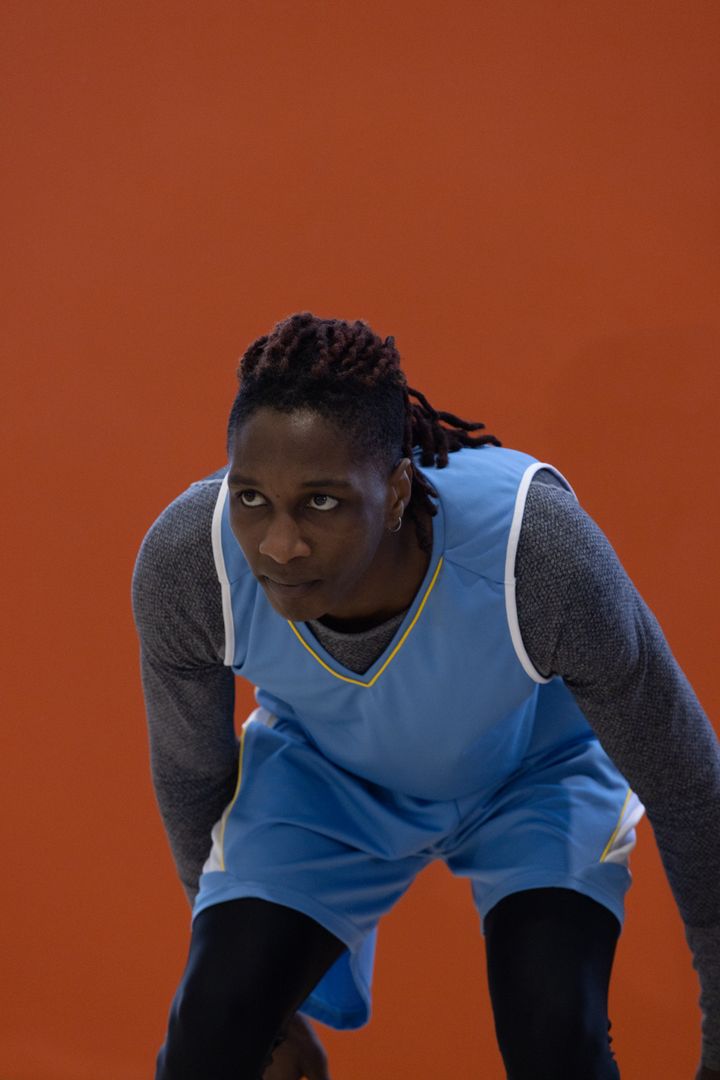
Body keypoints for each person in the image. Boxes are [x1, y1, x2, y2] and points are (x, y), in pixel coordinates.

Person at [131, 311, 720, 1080]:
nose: (279, 545)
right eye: (251, 498)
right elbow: (192, 776)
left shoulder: (536, 554)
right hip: (324, 783)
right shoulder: (190, 564)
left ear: (399, 484)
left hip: (533, 779)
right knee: (208, 1042)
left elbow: (686, 785)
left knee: (556, 1037)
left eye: (322, 502)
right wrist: (269, 1019)